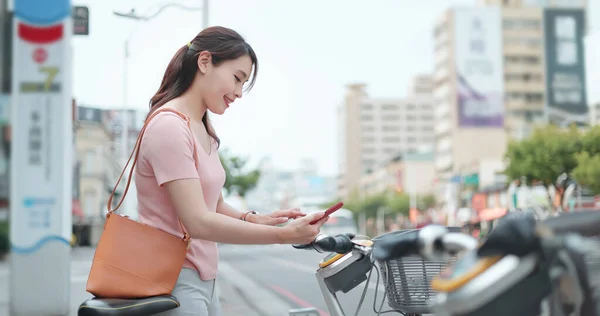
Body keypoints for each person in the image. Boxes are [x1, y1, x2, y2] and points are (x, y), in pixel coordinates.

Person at [134, 26, 330, 316]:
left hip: (204, 279)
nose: (238, 93)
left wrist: (257, 220)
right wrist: (284, 236)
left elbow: (214, 204)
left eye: (244, 84)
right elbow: (198, 222)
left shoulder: (203, 129)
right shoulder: (169, 127)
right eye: (237, 79)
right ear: (204, 62)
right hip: (172, 282)